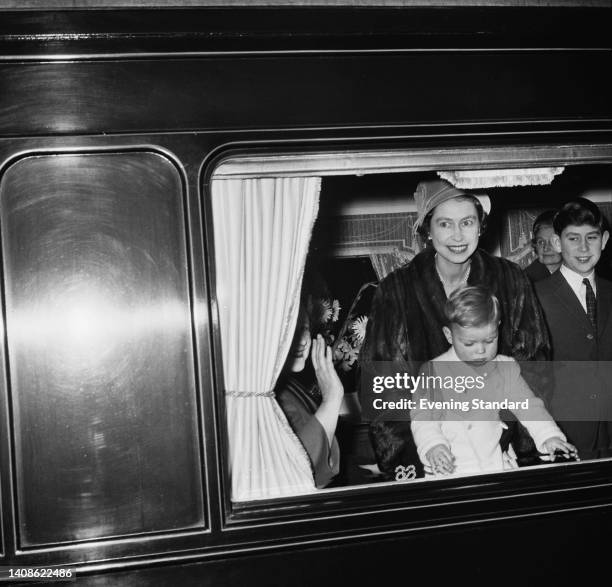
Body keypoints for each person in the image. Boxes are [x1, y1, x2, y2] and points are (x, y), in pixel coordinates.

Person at [360, 178, 550, 478]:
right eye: (445, 224)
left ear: (480, 226)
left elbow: (535, 370)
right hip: (427, 463)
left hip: (502, 459)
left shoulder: (511, 279)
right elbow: (382, 385)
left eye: (467, 222)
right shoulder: (396, 290)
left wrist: (521, 448)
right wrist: (411, 461)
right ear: (427, 230)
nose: (458, 235)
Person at [411, 286, 577, 477]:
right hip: (448, 470)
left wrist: (549, 435)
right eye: (469, 343)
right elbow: (423, 419)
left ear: (498, 327)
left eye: (489, 340)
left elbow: (529, 407)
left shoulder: (505, 368)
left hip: (496, 466)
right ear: (449, 336)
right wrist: (433, 446)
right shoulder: (433, 371)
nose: (481, 351)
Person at [535, 197, 612, 459]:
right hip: (565, 437)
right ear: (557, 242)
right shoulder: (535, 296)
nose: (583, 247)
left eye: (591, 237)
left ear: (604, 240)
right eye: (572, 238)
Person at [275, 294, 344, 488]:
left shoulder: (288, 386)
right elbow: (302, 472)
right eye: (288, 330)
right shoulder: (270, 397)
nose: (302, 340)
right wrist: (331, 399)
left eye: (303, 328)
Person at [525, 209, 562, 283]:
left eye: (553, 241)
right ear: (535, 245)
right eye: (541, 242)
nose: (546, 248)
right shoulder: (526, 281)